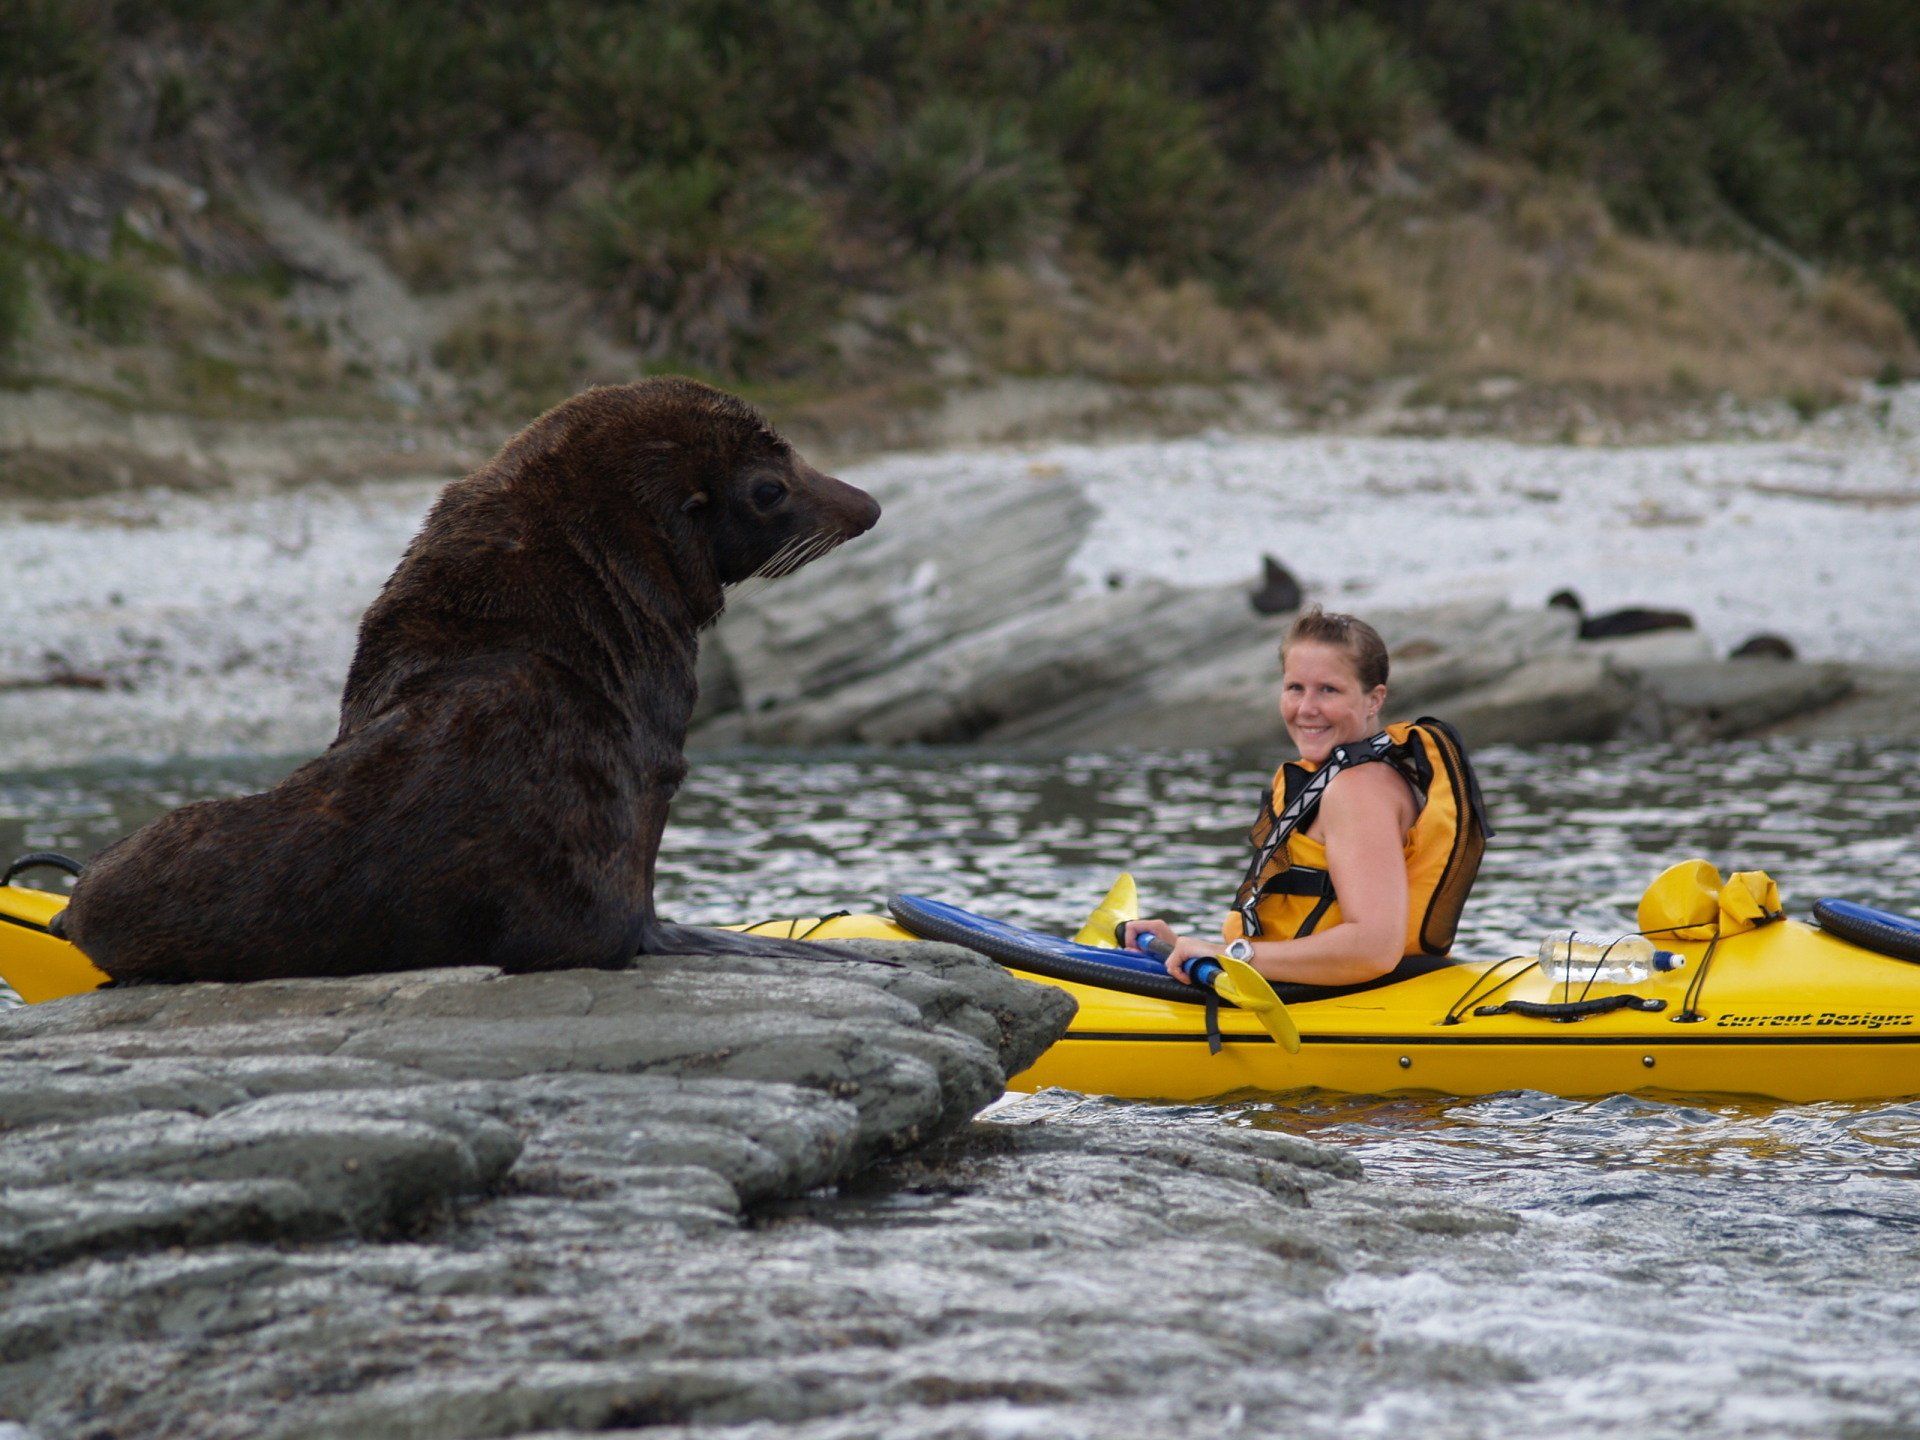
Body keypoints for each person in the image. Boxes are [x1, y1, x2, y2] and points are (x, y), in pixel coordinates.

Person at [1125, 607, 1487, 989]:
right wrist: (1179, 947)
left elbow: (1374, 948)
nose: (1306, 709)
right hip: (1311, 994)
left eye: (1328, 690)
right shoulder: (1334, 778)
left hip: (1351, 1005)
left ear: (1374, 699)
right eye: (1295, 688)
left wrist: (1231, 956)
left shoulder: (1359, 790)